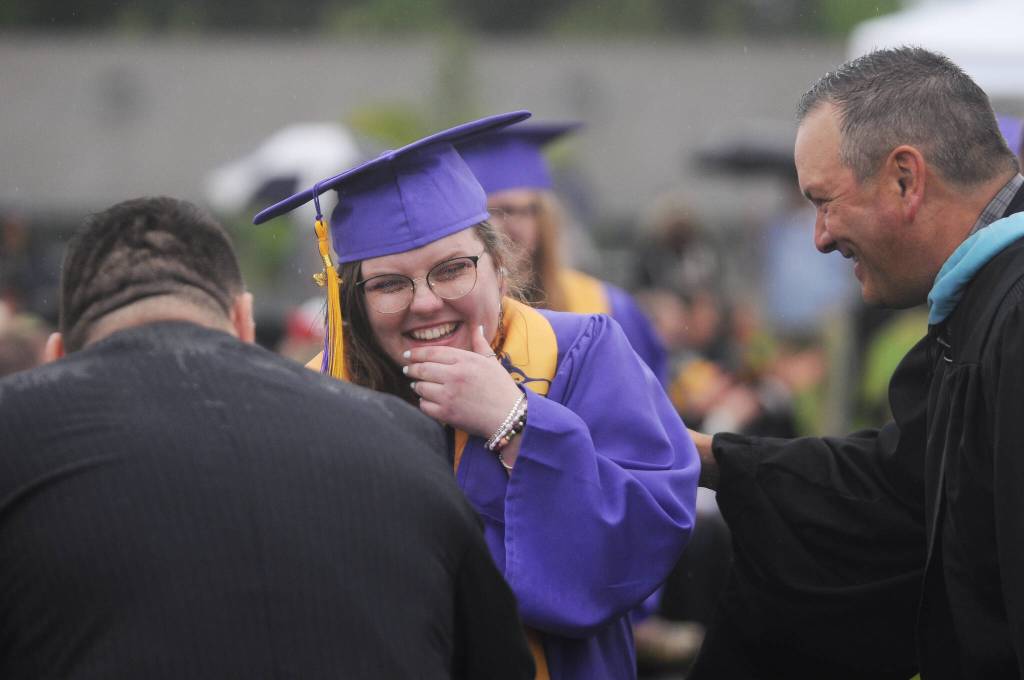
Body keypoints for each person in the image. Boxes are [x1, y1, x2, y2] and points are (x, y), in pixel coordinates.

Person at [0, 196, 534, 680]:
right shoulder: (401, 437)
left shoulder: (16, 429)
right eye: (392, 283)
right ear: (243, 321)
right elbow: (494, 661)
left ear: (56, 356)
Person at [253, 111, 700, 680]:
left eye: (452, 269)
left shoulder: (584, 355)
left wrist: (516, 423)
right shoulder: (315, 401)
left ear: (500, 266)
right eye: (389, 283)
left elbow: (642, 543)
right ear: (353, 302)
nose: (425, 302)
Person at [688, 47, 1024, 679]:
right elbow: (902, 487)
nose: (817, 237)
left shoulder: (1016, 316)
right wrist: (704, 457)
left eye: (825, 200)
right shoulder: (988, 304)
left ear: (905, 179)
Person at [455, 123, 670, 385]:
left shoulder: (605, 307)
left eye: (528, 210)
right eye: (498, 211)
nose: (515, 227)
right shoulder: (456, 316)